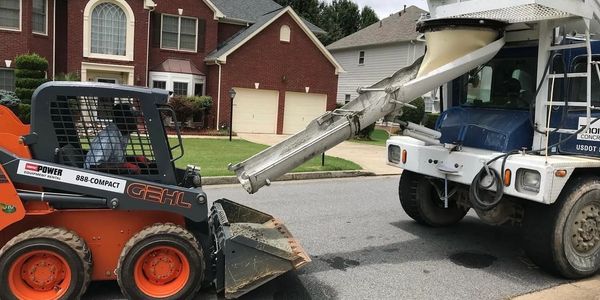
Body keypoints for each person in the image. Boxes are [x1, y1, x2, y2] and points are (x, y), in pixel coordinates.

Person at [84, 103, 140, 173]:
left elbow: (115, 159)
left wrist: (135, 158)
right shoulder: (108, 137)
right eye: (133, 119)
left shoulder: (123, 135)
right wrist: (124, 166)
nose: (137, 122)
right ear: (122, 119)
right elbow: (94, 166)